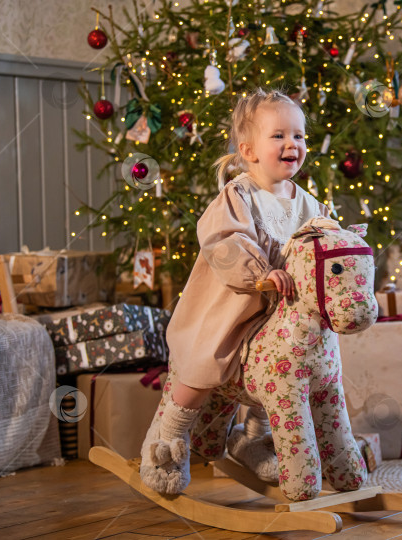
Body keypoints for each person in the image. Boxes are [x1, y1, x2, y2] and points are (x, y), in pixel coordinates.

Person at [140, 88, 330, 494]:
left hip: (277, 313)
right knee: (204, 363)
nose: (291, 144)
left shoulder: (310, 205)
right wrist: (260, 271)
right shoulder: (239, 195)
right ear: (249, 149)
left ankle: (253, 439)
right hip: (230, 303)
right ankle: (168, 438)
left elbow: (324, 244)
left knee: (283, 368)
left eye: (298, 136)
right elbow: (224, 241)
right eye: (278, 135)